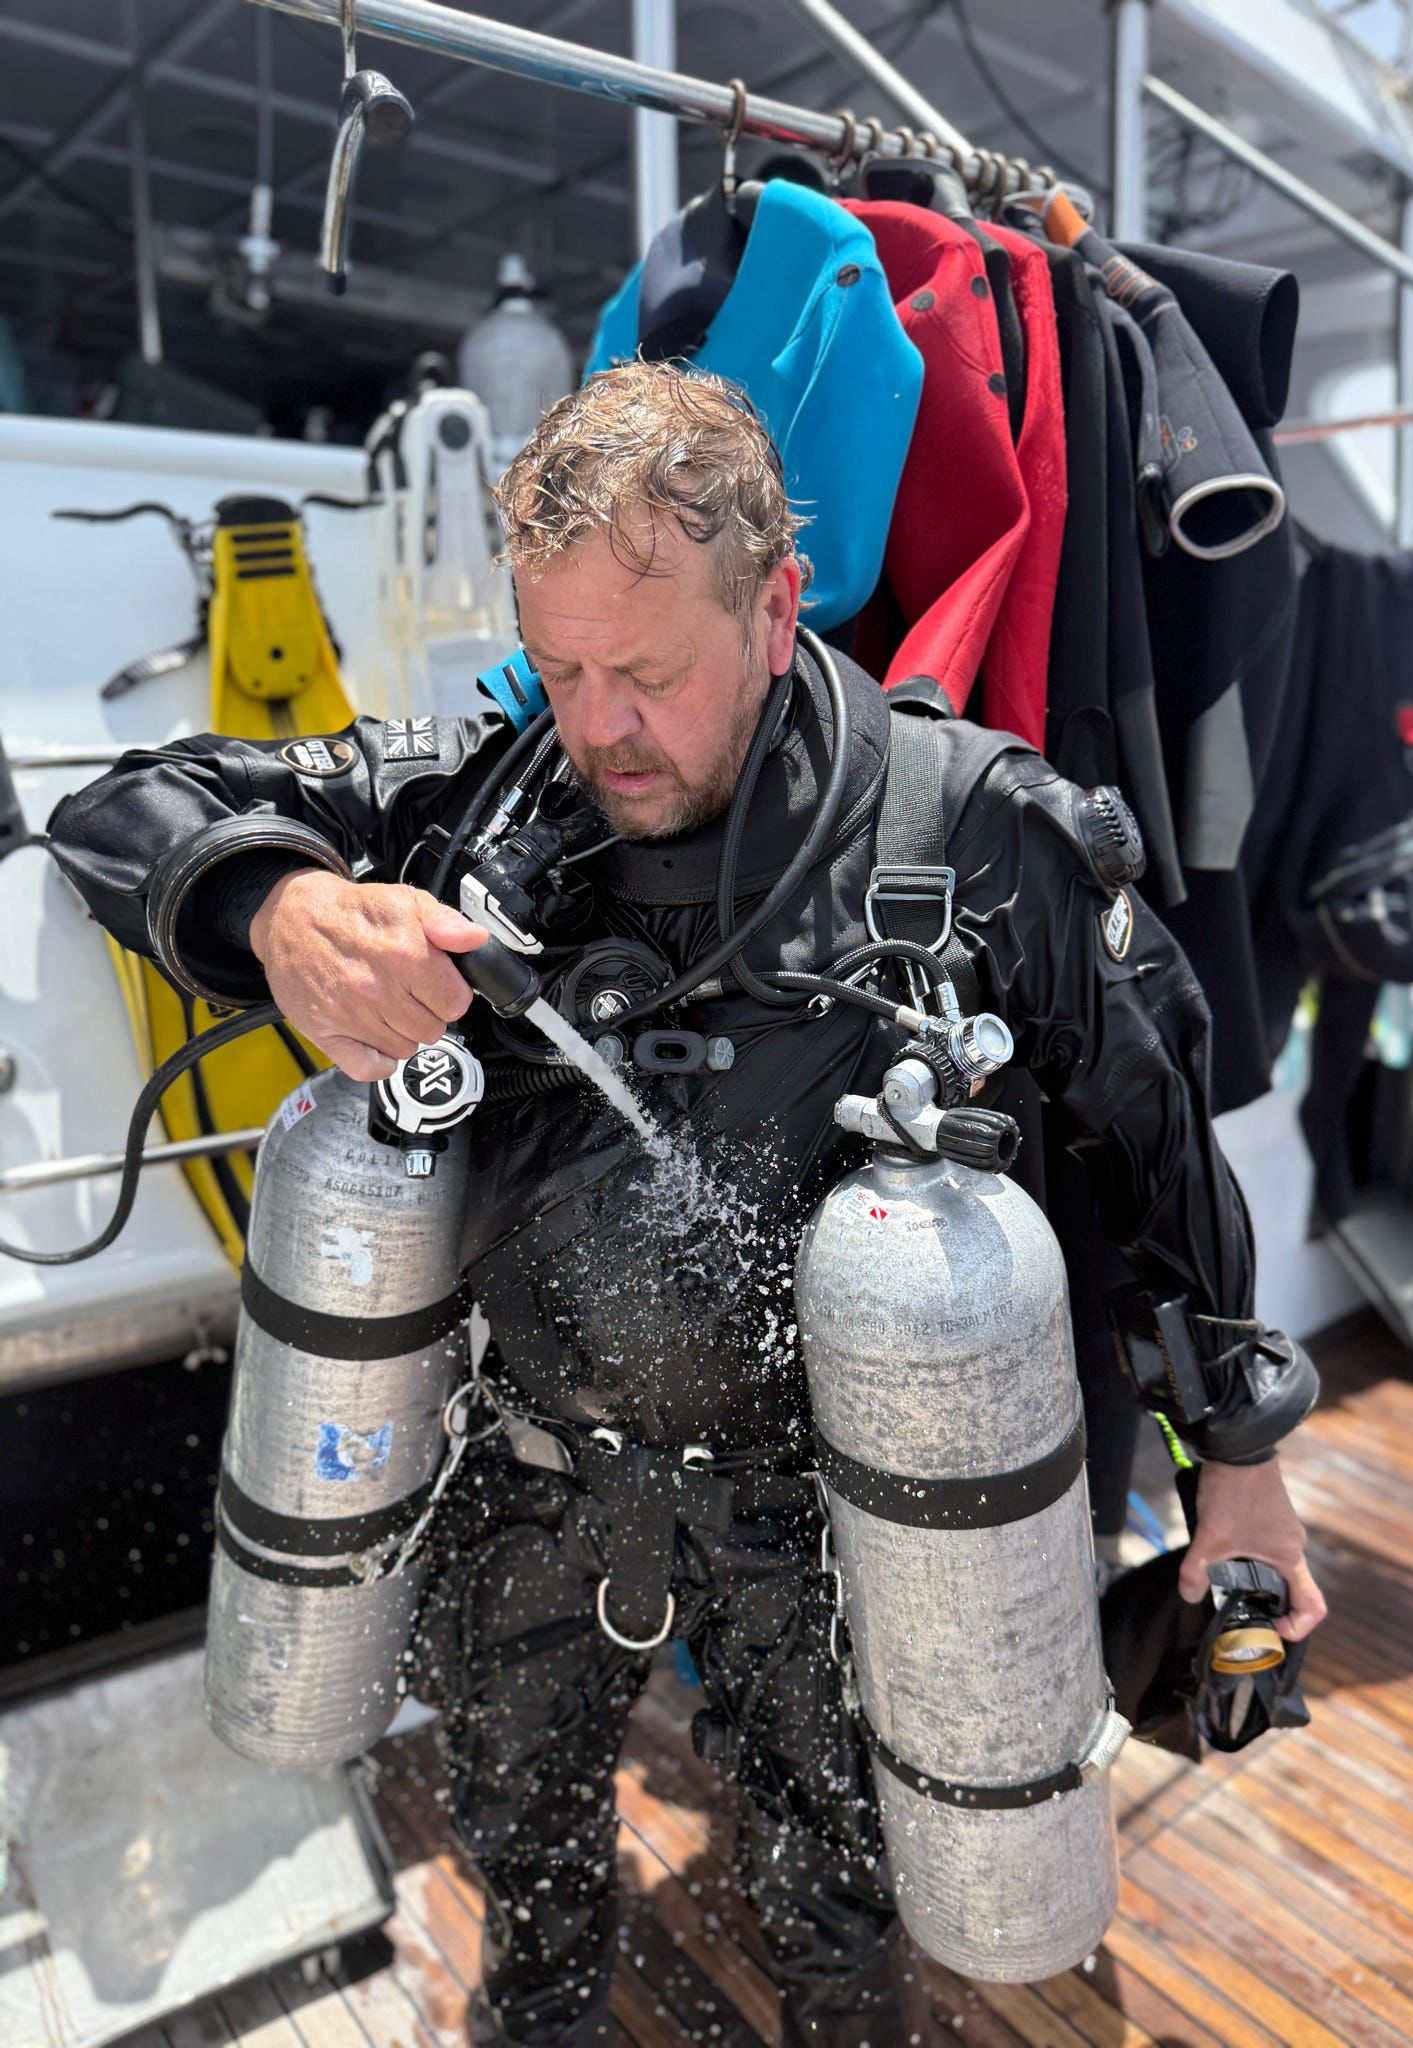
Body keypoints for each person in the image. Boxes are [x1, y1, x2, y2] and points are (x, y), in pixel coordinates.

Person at [47, 363, 1325, 2048]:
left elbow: (1156, 1152)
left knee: (837, 1913)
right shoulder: (479, 794)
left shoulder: (974, 832)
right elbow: (116, 809)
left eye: (648, 675)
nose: (599, 729)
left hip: (837, 1524)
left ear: (778, 608)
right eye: (561, 667)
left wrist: (1241, 1466)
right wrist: (278, 907)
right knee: (523, 1859)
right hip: (529, 1480)